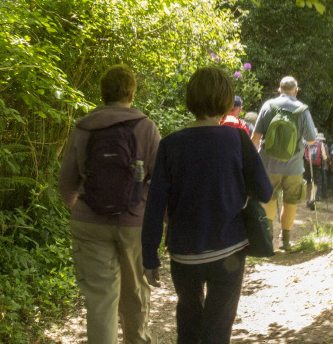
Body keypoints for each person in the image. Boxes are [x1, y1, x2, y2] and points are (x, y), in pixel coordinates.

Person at [141, 67, 272, 344]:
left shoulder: (170, 145)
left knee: (188, 319)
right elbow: (265, 190)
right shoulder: (237, 139)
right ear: (227, 101)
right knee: (217, 329)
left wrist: (150, 257)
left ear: (190, 99)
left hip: (184, 254)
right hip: (229, 251)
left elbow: (154, 206)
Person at [59, 64, 160, 344]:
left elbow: (66, 183)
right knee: (136, 293)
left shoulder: (83, 127)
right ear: (131, 93)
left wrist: (83, 211)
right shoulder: (146, 127)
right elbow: (160, 181)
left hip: (88, 223)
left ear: (102, 94)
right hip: (133, 222)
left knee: (101, 303)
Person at [251, 76, 316, 251]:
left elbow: (255, 138)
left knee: (269, 200)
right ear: (296, 90)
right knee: (290, 202)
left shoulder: (268, 106)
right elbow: (311, 140)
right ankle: (285, 241)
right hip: (294, 167)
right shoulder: (303, 110)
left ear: (279, 90)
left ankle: (267, 241)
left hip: (268, 165)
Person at [303, 132, 329, 207]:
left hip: (308, 164)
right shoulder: (320, 143)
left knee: (308, 183)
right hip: (317, 166)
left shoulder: (306, 143)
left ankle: (308, 200)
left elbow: (303, 154)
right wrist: (324, 163)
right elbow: (324, 157)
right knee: (316, 183)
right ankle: (312, 199)